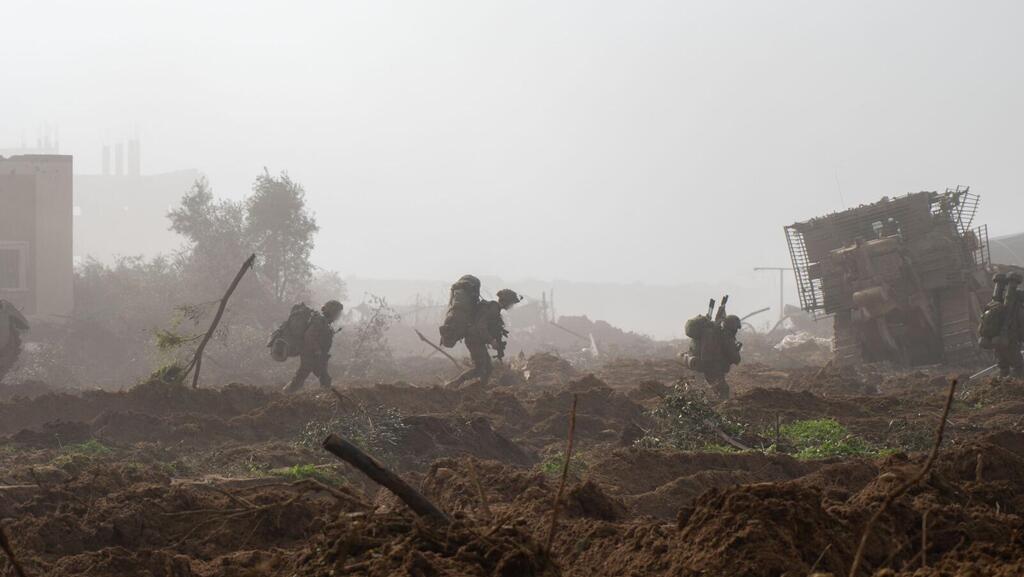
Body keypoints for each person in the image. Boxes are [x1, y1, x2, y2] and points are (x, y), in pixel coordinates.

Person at [446, 289, 521, 388]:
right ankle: (454, 384)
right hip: (474, 340)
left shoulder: (495, 309)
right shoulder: (492, 309)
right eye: (511, 302)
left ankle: (481, 389)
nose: (511, 306)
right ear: (506, 301)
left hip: (477, 340)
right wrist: (491, 340)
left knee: (488, 368)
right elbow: (481, 326)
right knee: (480, 368)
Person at [682, 305, 742, 400]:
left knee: (706, 388)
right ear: (732, 327)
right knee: (723, 390)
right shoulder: (725, 335)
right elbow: (735, 357)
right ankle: (721, 408)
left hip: (700, 362)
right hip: (712, 366)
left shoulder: (713, 329)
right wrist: (736, 352)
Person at [283, 300, 343, 393]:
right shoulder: (319, 321)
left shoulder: (325, 323)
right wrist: (317, 349)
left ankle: (326, 394)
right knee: (303, 375)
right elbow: (309, 336)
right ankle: (286, 393)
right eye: (338, 312)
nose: (338, 315)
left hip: (317, 355)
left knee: (321, 376)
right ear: (332, 312)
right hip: (311, 354)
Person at [0, 300, 29, 383]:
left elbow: (24, 325)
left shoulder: (6, 307)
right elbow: (25, 325)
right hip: (6, 349)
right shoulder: (7, 306)